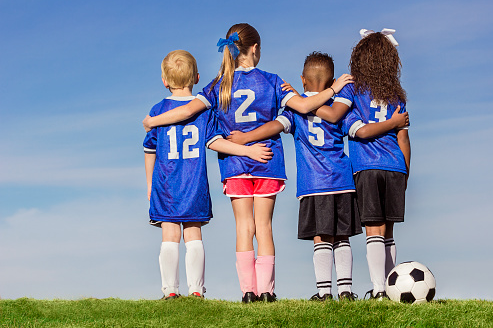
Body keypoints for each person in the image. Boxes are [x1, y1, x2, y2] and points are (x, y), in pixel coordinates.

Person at [142, 23, 352, 303]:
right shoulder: (273, 80)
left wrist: (153, 120)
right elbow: (303, 107)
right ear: (255, 49)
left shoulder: (218, 85)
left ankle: (247, 292)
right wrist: (333, 89)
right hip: (268, 161)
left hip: (234, 164)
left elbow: (188, 109)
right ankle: (267, 291)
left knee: (244, 227)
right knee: (264, 227)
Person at [144, 49, 273, 300]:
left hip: (166, 185)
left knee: (169, 234)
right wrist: (247, 151)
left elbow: (150, 150)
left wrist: (150, 184)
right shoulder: (203, 112)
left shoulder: (158, 110)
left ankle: (170, 291)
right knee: (193, 233)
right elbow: (216, 143)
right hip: (194, 184)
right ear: (197, 78)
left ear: (164, 81)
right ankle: (196, 290)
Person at [338, 29, 411, 300]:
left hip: (367, 167)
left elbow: (361, 132)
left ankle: (380, 288)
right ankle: (392, 289)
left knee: (375, 230)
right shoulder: (396, 96)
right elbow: (404, 138)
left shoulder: (353, 93)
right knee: (389, 230)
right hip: (395, 167)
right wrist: (406, 172)